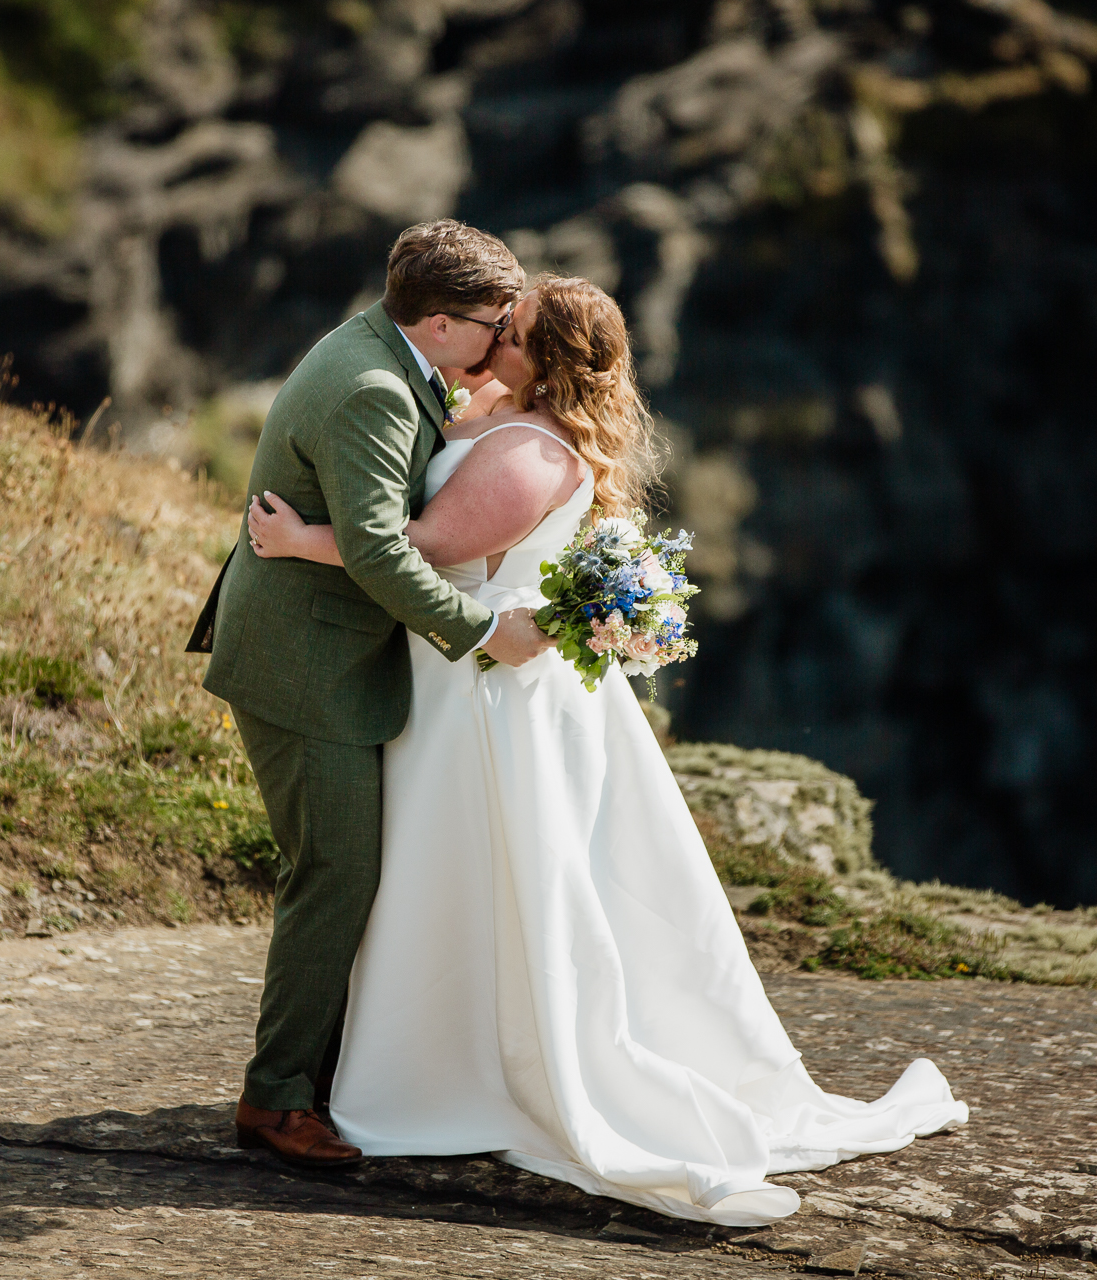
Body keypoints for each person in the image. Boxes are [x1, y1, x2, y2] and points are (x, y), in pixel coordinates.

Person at [245, 274, 968, 1226]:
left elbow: (415, 546)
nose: (499, 331)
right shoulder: (500, 409)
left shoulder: (531, 455)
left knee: (477, 873)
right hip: (452, 670)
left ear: (542, 362)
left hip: (481, 684)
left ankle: (450, 1070)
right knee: (447, 876)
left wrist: (302, 542)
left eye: (517, 328)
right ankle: (405, 1053)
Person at [194, 220, 554, 1169]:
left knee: (346, 869)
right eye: (494, 322)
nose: (504, 336)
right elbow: (378, 549)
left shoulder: (377, 346)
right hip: (306, 667)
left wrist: (467, 408)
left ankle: (320, 1075)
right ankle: (275, 1102)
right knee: (336, 874)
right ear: (438, 323)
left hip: (314, 649)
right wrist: (484, 632)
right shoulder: (368, 391)